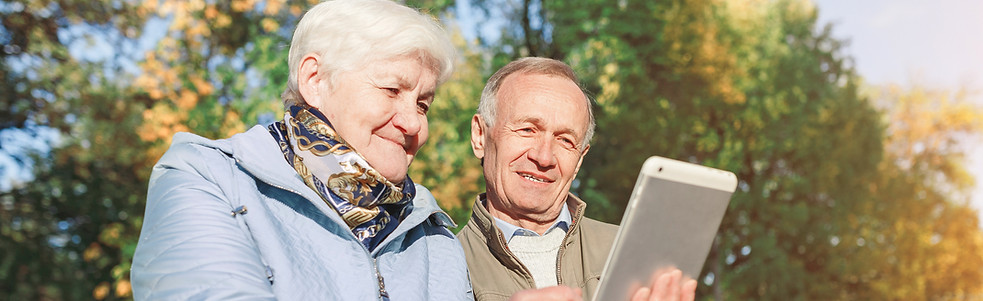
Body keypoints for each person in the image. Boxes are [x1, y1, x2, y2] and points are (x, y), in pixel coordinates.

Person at [129, 0, 471, 299]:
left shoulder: (433, 232)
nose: (414, 125)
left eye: (424, 105)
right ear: (315, 80)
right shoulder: (206, 178)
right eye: (392, 89)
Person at [456, 57, 697, 301]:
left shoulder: (631, 254)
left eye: (565, 140)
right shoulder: (443, 265)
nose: (544, 156)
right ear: (480, 136)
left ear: (579, 160)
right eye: (528, 129)